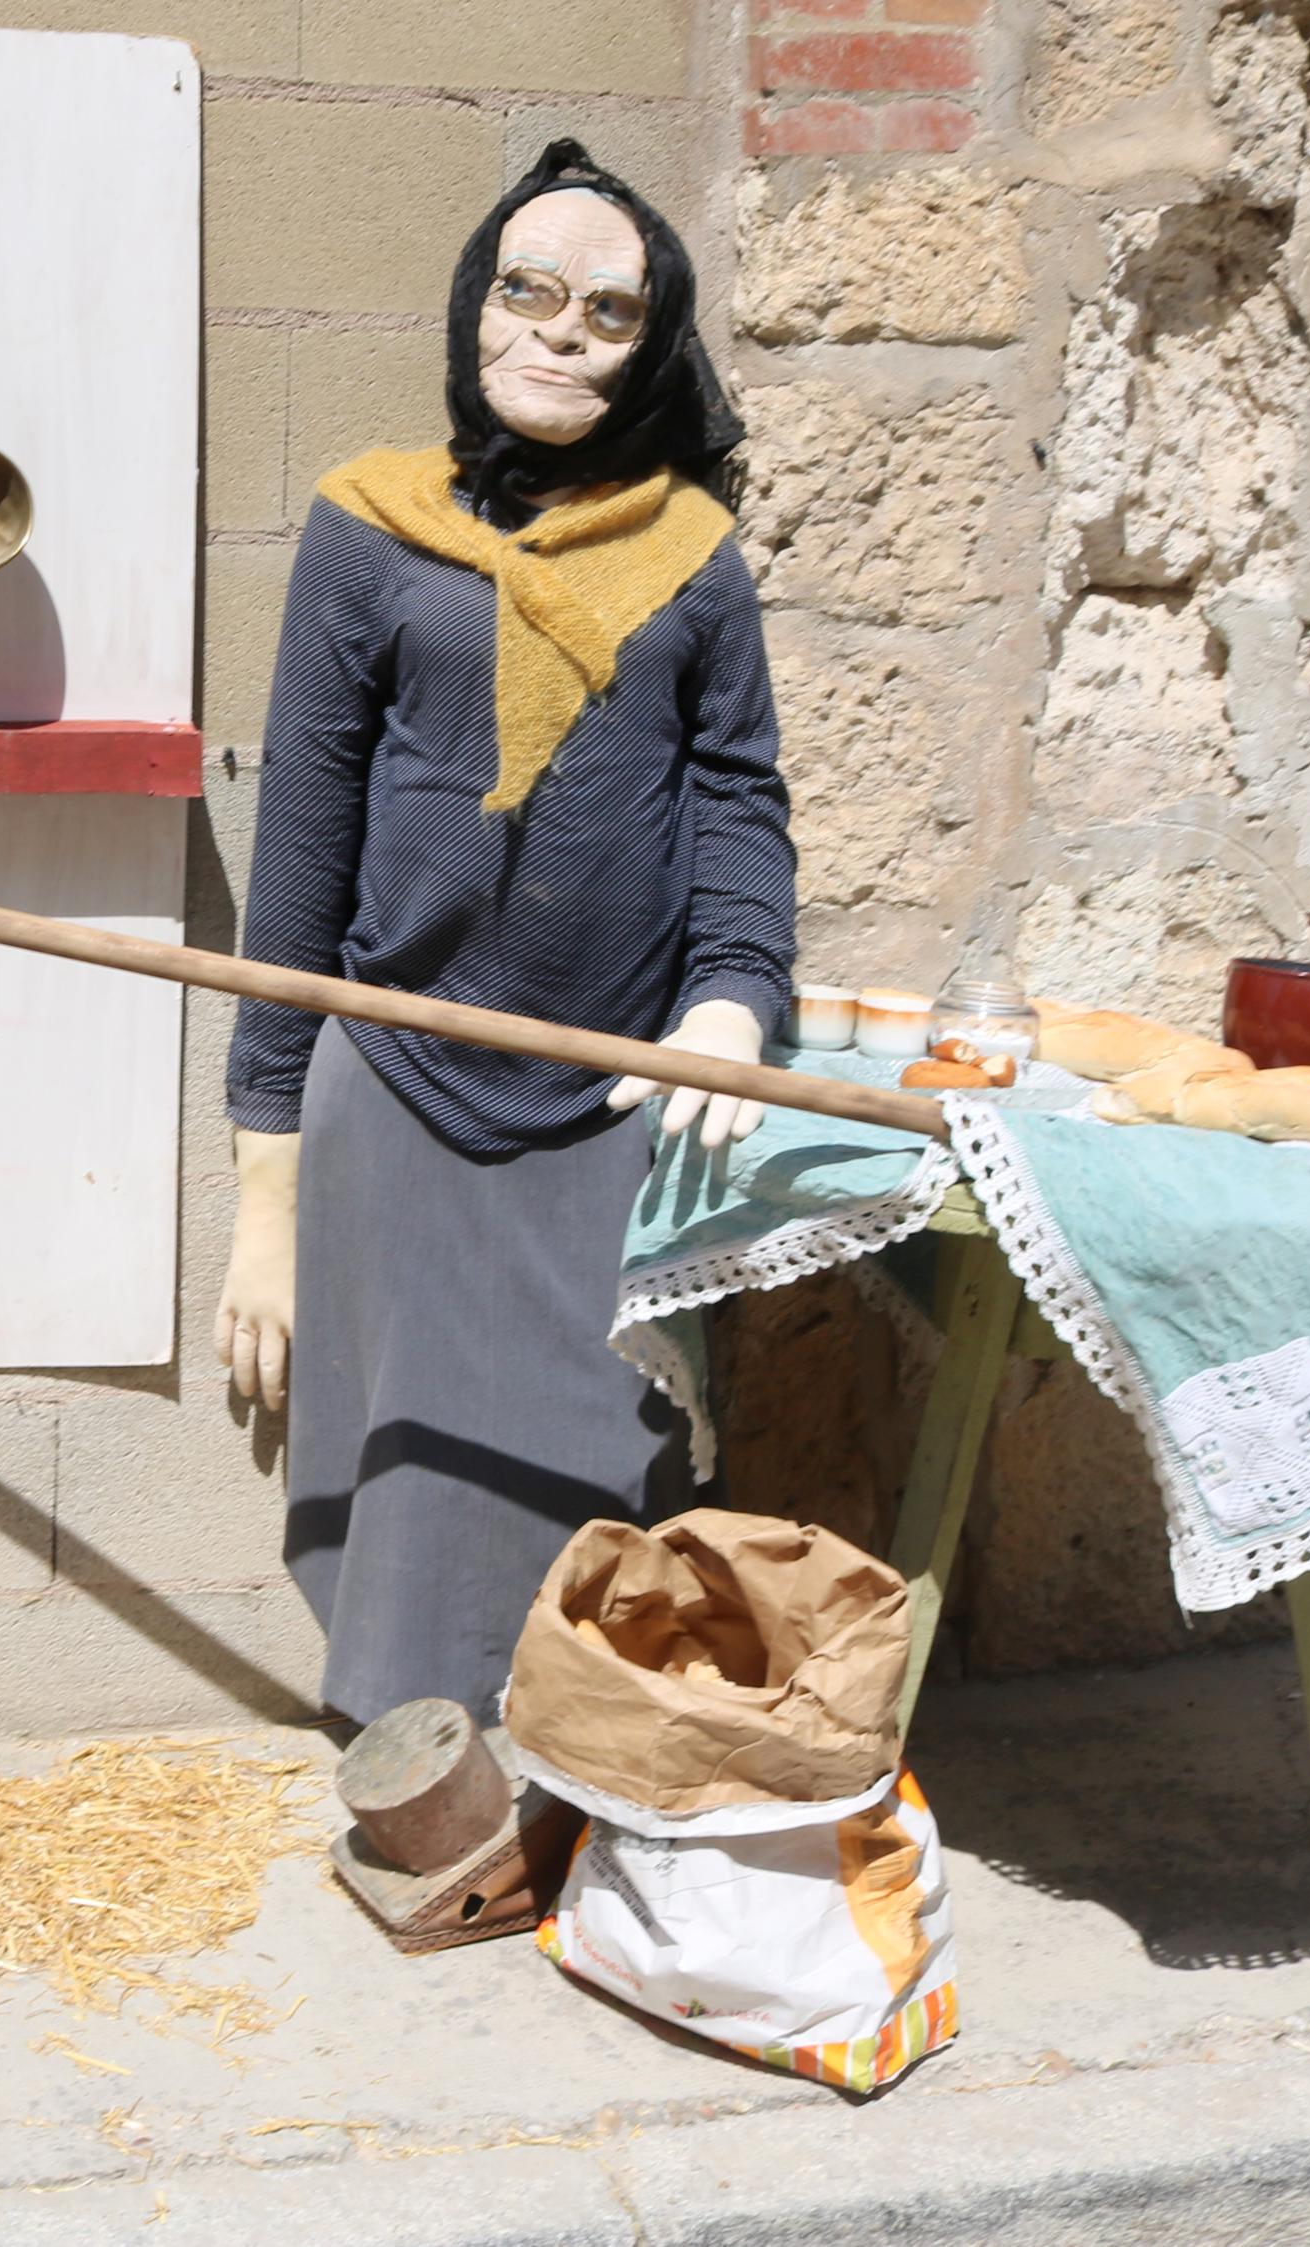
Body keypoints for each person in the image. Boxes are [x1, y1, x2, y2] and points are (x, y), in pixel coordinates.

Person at [216, 138, 798, 1728]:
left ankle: (593, 1774)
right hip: (397, 1086)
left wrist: (735, 1006)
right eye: (527, 290)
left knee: (604, 1461)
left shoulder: (692, 554)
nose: (558, 329)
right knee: (401, 1470)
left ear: (649, 344)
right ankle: (423, 1784)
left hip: (614, 1099)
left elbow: (738, 803)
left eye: (607, 312)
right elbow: (303, 844)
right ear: (475, 304)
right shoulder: (365, 528)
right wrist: (264, 1188)